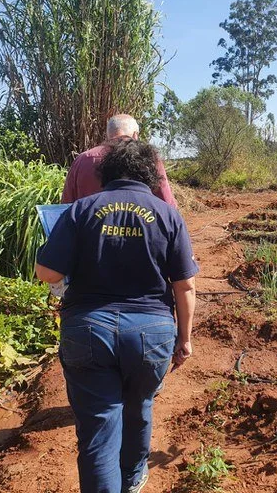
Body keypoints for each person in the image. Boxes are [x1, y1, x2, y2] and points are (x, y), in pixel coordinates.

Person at [35, 138, 198, 493]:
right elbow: (185, 286)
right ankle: (133, 478)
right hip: (152, 332)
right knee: (139, 405)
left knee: (98, 427)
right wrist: (184, 339)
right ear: (150, 175)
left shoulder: (81, 210)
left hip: (89, 330)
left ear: (105, 172)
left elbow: (46, 272)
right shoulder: (168, 214)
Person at [62, 114, 177, 208]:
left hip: (89, 229)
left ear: (108, 135)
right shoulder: (148, 158)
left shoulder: (82, 160)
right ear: (135, 135)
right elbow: (167, 203)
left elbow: (66, 205)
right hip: (139, 227)